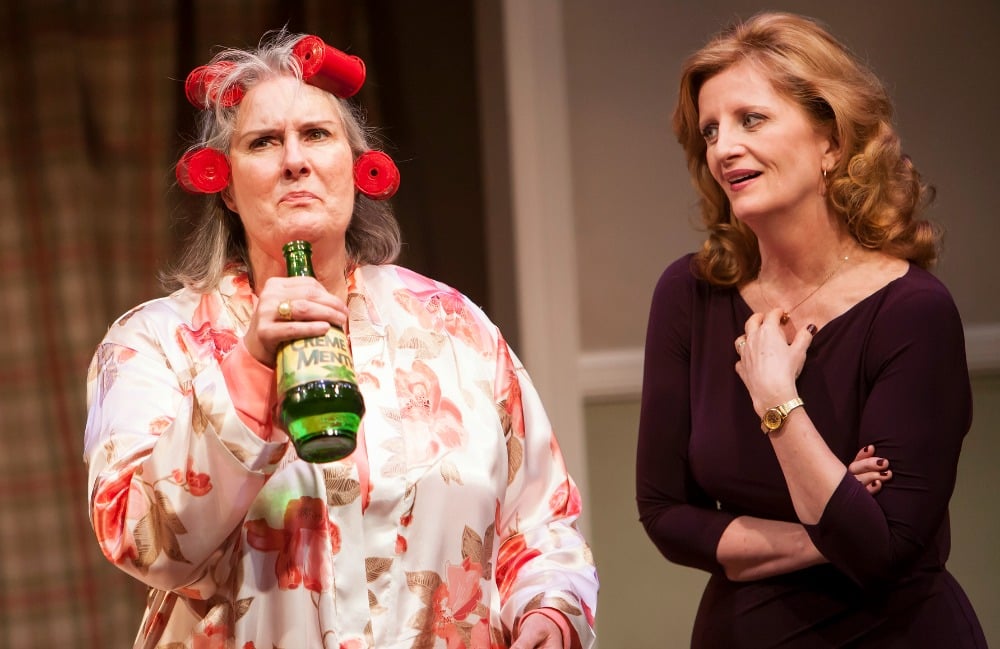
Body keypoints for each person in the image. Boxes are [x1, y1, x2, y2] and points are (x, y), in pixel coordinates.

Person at [84, 30, 597, 649]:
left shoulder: (454, 327)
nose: (294, 160)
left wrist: (548, 613)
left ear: (358, 168)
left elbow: (541, 521)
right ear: (224, 182)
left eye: (317, 135)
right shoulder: (155, 342)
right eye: (263, 141)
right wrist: (247, 367)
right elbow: (139, 538)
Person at [635, 11, 986, 648]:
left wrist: (778, 404)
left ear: (832, 140)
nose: (723, 147)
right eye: (710, 131)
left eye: (751, 119)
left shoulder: (913, 312)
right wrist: (827, 527)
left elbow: (881, 556)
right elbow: (665, 517)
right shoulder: (690, 295)